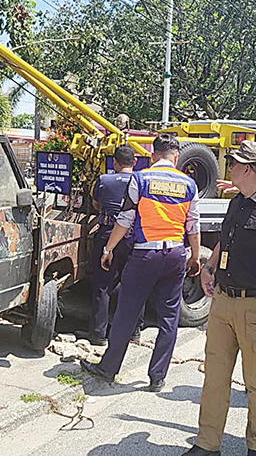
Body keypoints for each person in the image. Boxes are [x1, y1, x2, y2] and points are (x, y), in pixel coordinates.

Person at [183, 141, 256, 456]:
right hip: (223, 303)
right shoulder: (237, 203)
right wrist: (208, 267)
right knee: (215, 378)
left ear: (248, 169)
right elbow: (225, 242)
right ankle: (207, 444)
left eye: (233, 163)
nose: (229, 168)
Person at [81, 133, 200, 392]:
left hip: (146, 254)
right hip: (176, 255)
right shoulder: (189, 184)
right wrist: (196, 256)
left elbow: (125, 218)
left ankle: (108, 368)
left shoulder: (141, 178)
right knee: (169, 316)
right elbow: (192, 224)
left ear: (153, 155)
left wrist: (108, 248)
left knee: (127, 312)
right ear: (176, 156)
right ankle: (157, 377)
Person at [87, 145, 143, 346]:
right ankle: (134, 331)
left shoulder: (103, 180)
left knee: (102, 285)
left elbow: (95, 204)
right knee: (134, 285)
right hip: (132, 238)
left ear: (115, 163)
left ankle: (98, 334)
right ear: (134, 162)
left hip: (108, 235)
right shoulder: (141, 180)